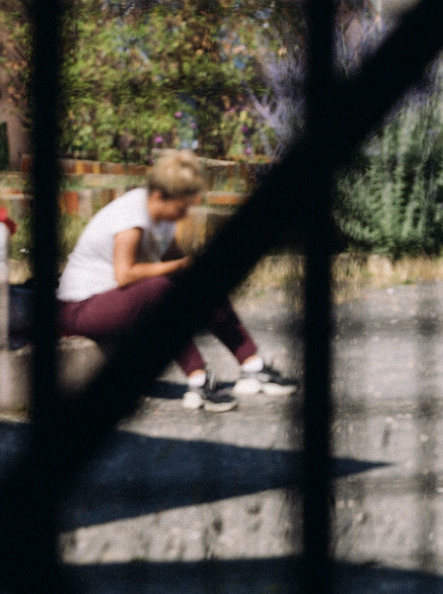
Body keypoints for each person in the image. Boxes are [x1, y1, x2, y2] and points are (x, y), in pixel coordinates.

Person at [57, 150, 297, 412]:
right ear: (159, 196)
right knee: (161, 289)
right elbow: (124, 274)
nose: (184, 214)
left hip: (118, 300)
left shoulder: (164, 216)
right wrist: (180, 266)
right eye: (181, 207)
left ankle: (252, 366)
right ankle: (198, 381)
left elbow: (175, 263)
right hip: (80, 308)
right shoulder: (131, 213)